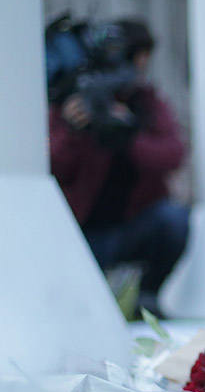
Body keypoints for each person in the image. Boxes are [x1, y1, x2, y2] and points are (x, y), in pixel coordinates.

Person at [49, 19, 189, 319]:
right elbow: (51, 164)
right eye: (135, 58)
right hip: (82, 234)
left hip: (133, 227)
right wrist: (75, 130)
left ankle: (147, 297)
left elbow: (174, 153)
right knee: (83, 311)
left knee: (174, 219)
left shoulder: (146, 103)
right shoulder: (72, 98)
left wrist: (128, 133)